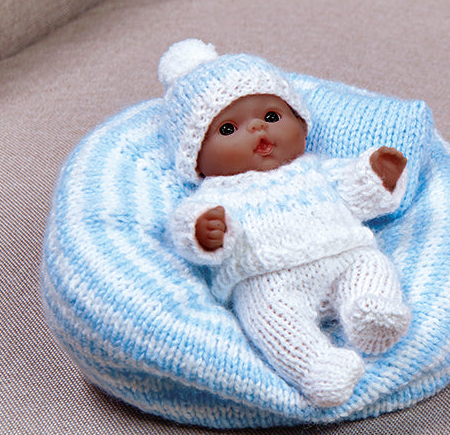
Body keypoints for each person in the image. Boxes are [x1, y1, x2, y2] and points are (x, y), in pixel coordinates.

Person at [165, 39, 411, 407]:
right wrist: (205, 232)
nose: (256, 130)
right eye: (228, 129)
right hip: (267, 278)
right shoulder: (213, 195)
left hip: (343, 255)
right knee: (266, 318)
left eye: (271, 117)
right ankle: (316, 367)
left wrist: (377, 175)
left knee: (371, 264)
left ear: (301, 124)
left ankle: (371, 311)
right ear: (196, 160)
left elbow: (355, 190)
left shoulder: (315, 169)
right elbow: (185, 227)